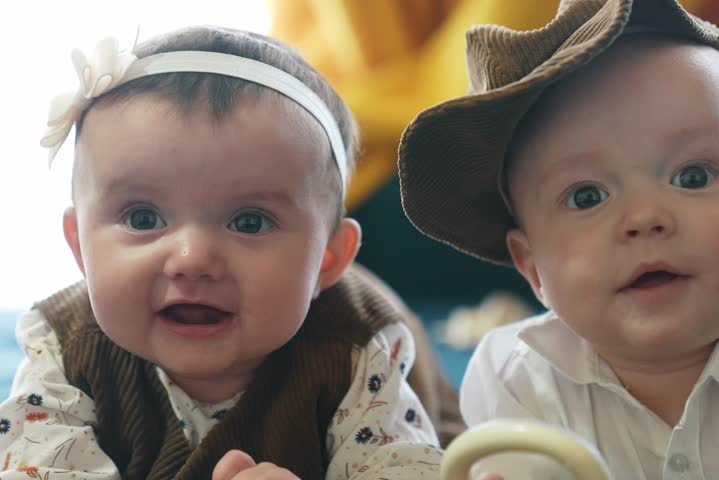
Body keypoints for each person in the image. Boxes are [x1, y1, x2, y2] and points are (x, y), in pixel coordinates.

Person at [397, 0, 719, 478]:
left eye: (692, 176)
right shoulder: (518, 381)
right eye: (587, 196)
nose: (645, 218)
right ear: (533, 268)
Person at [0, 26, 443, 480]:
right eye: (142, 219)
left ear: (327, 258)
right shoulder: (62, 349)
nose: (192, 258)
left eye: (249, 222)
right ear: (80, 246)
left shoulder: (356, 351)